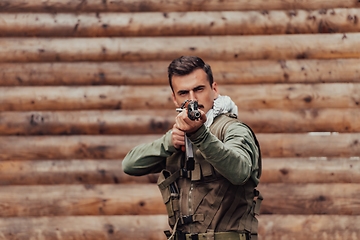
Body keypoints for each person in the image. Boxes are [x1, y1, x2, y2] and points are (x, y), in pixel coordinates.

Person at [122, 56, 262, 240]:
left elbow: (241, 171)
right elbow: (129, 165)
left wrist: (200, 136)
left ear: (214, 89)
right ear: (174, 98)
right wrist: (168, 143)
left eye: (199, 89)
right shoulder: (178, 135)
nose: (192, 99)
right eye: (183, 93)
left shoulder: (232, 128)